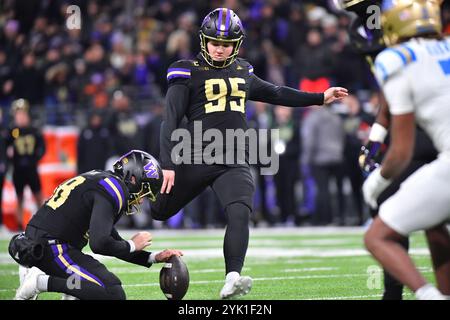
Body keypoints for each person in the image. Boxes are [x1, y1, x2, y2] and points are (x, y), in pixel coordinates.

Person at [150, 8, 348, 299]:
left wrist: (319, 97)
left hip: (233, 156)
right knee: (159, 210)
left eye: (226, 44)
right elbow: (170, 118)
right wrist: (167, 163)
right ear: (204, 41)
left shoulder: (243, 69)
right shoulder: (185, 69)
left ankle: (233, 277)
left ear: (236, 45)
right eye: (215, 43)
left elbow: (277, 93)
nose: (220, 49)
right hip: (194, 154)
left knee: (240, 211)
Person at [340, 0, 447, 299]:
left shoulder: (395, 57)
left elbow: (400, 148)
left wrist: (376, 180)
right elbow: (392, 95)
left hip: (430, 142)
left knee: (380, 231)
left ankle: (412, 294)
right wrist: (375, 139)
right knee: (434, 221)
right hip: (429, 136)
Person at [12, 150, 183, 300]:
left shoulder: (103, 179)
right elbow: (99, 243)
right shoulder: (115, 190)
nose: (141, 199)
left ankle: (71, 292)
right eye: (144, 191)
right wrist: (132, 244)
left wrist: (153, 257)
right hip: (52, 247)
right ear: (133, 178)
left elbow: (111, 240)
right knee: (112, 293)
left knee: (100, 288)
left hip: (41, 242)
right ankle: (40, 281)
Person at [6, 99, 45, 231]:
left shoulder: (33, 130)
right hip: (18, 169)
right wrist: (9, 154)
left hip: (32, 168)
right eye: (18, 114)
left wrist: (35, 158)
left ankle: (44, 221)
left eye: (23, 114)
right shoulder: (12, 131)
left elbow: (42, 147)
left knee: (38, 195)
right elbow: (5, 147)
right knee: (19, 197)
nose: (21, 117)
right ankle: (19, 225)